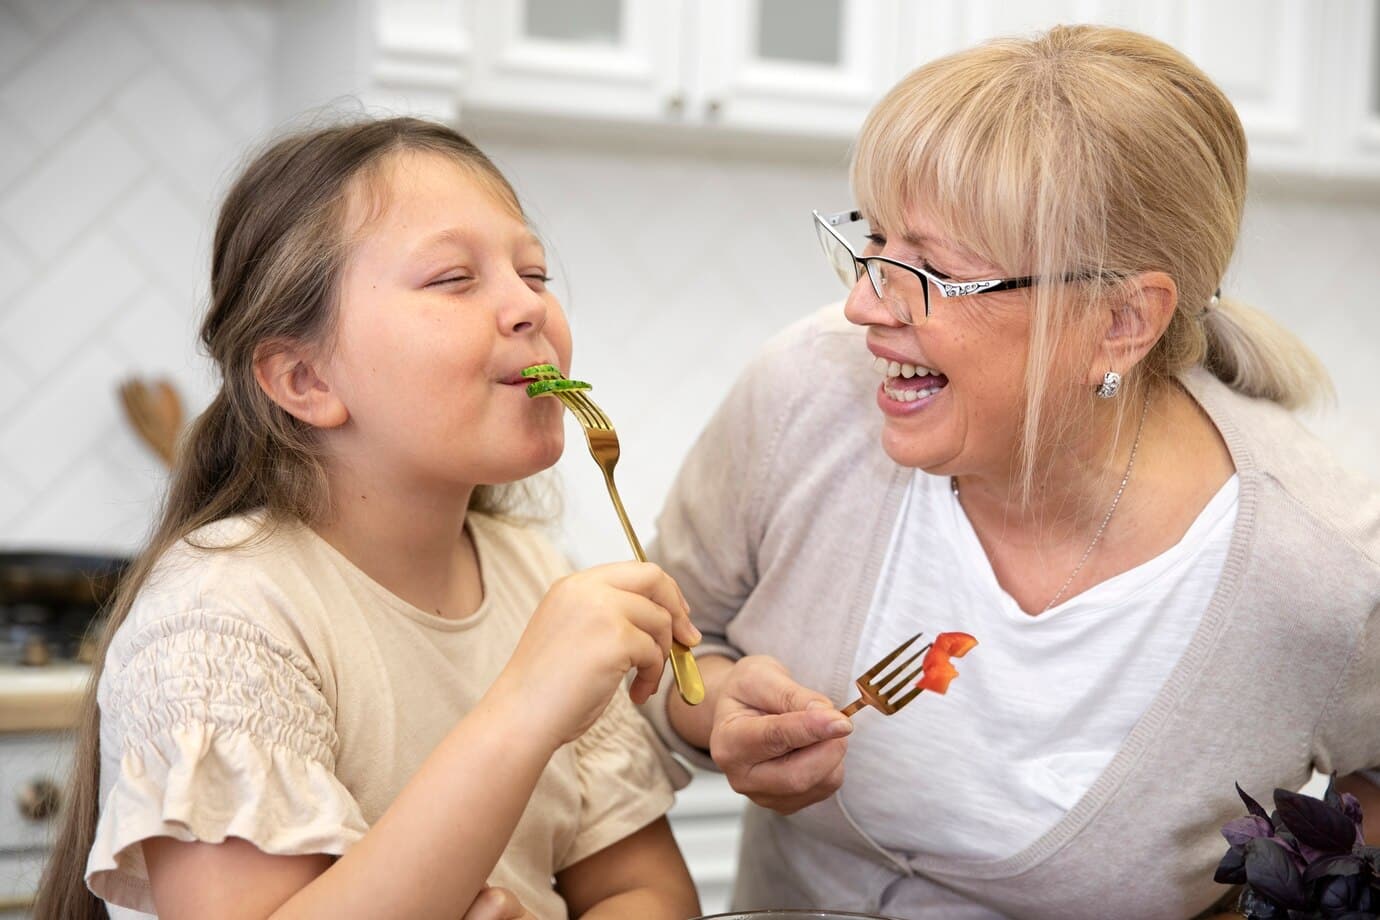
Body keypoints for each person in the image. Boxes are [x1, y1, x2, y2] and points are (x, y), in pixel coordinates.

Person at [641, 25, 1380, 920]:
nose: (863, 303)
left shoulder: (1323, 569)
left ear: (1122, 322)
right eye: (874, 241)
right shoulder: (805, 394)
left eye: (937, 273)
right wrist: (717, 711)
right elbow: (667, 645)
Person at [36, 117, 702, 920]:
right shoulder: (219, 618)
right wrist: (525, 707)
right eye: (454, 279)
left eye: (535, 273)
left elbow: (645, 889)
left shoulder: (534, 573)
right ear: (305, 378)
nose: (528, 306)